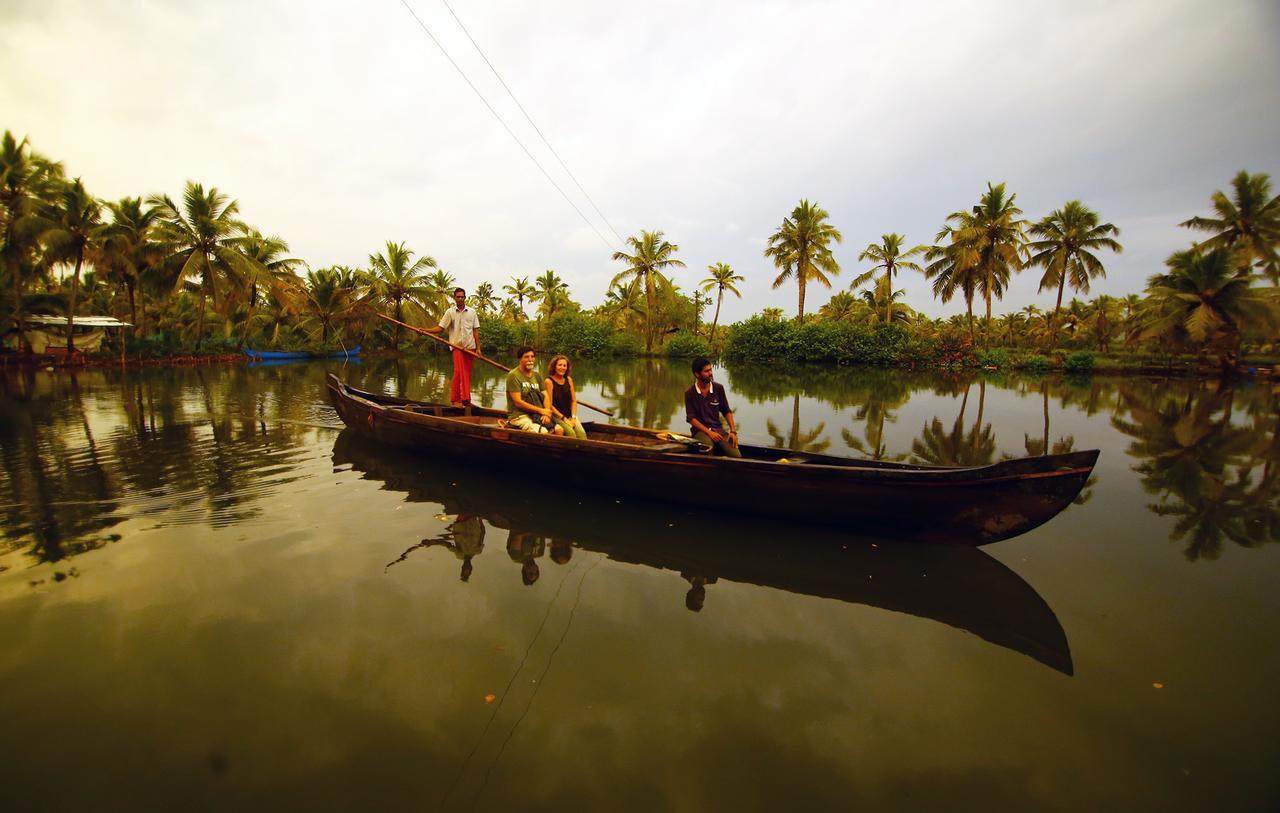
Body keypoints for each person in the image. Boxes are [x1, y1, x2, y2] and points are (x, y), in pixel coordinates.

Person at [425, 288, 481, 408]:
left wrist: (478, 348)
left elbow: (475, 330)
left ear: (465, 298)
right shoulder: (450, 312)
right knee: (458, 372)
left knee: (466, 373)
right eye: (458, 297)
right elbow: (440, 328)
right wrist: (425, 330)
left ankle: (466, 400)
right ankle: (456, 399)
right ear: (454, 298)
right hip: (457, 347)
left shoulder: (472, 312)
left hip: (470, 348)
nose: (460, 299)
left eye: (462, 297)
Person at [684, 357, 741, 457]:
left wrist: (733, 431)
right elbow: (691, 419)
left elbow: (726, 410)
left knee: (736, 456)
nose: (710, 373)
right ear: (697, 374)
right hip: (701, 431)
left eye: (710, 370)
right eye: (706, 371)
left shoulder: (718, 388)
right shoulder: (690, 393)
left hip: (718, 430)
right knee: (708, 449)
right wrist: (709, 433)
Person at [505, 346, 564, 435]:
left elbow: (546, 396)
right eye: (526, 357)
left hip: (537, 414)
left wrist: (546, 412)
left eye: (532, 357)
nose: (530, 359)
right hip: (519, 416)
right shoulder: (513, 375)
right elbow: (518, 402)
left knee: (559, 429)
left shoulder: (537, 376)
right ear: (520, 359)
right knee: (543, 432)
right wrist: (540, 411)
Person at [543, 354, 588, 440]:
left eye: (565, 365)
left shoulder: (569, 379)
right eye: (559, 365)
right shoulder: (549, 381)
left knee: (582, 434)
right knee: (571, 434)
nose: (562, 367)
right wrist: (564, 419)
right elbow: (550, 405)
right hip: (557, 416)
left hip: (569, 415)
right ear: (554, 367)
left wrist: (573, 418)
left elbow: (574, 401)